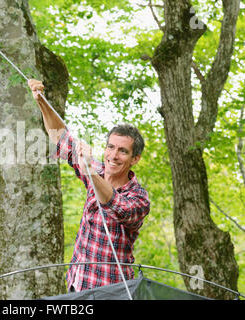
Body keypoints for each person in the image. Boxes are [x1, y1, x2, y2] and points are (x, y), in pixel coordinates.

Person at [28, 79, 150, 292]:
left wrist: (90, 171)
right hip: (78, 284)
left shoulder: (139, 198)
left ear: (135, 158)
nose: (113, 155)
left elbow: (115, 205)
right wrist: (41, 102)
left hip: (111, 291)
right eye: (110, 147)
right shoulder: (95, 169)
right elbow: (59, 136)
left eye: (123, 151)